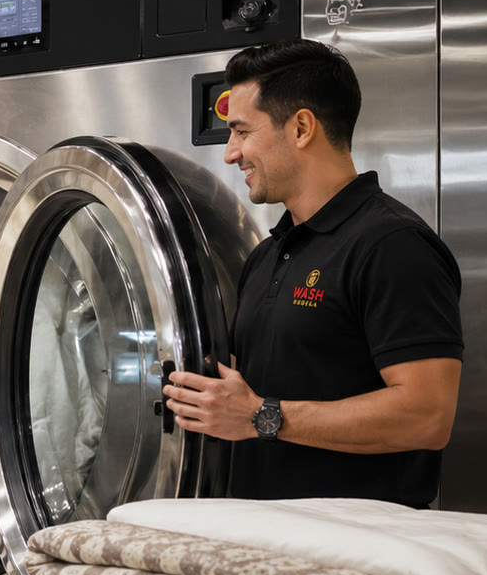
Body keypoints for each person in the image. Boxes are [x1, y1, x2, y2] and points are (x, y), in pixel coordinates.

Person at [163, 38, 462, 508]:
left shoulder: (392, 245)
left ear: (302, 127)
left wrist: (262, 416)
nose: (230, 153)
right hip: (266, 542)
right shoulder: (268, 255)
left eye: (242, 132)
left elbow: (427, 416)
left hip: (363, 553)